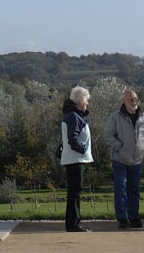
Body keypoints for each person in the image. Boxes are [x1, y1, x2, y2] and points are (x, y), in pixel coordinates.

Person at [104, 88, 144, 229]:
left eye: (135, 99)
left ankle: (134, 217)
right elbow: (108, 135)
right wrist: (118, 146)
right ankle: (122, 218)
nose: (134, 102)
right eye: (131, 99)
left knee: (134, 190)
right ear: (124, 101)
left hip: (137, 160)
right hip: (120, 160)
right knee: (121, 189)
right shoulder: (115, 117)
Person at [60, 85, 93, 233]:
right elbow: (72, 139)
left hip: (74, 159)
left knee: (74, 192)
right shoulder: (73, 116)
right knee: (75, 192)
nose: (87, 103)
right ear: (80, 100)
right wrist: (83, 148)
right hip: (75, 159)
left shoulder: (72, 115)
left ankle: (73, 223)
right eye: (86, 100)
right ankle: (73, 224)